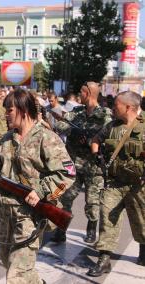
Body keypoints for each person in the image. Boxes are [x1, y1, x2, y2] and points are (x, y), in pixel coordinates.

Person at [0, 88, 76, 284]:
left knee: (17, 275)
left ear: (23, 111)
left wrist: (42, 191)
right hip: (5, 213)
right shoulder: (7, 139)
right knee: (7, 261)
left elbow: (67, 174)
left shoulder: (46, 138)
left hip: (29, 216)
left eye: (9, 110)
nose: (5, 115)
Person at [87, 91, 145, 276]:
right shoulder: (111, 126)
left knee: (141, 221)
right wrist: (97, 155)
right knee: (107, 219)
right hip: (114, 183)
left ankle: (143, 251)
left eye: (116, 105)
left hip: (139, 185)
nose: (112, 108)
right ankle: (104, 260)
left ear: (129, 107)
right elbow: (95, 140)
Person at [52, 81, 112, 243]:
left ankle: (91, 230)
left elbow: (110, 137)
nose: (79, 95)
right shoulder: (77, 112)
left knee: (92, 202)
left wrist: (91, 140)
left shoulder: (106, 115)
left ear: (88, 94)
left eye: (81, 92)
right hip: (74, 165)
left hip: (94, 166)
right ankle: (61, 229)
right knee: (65, 198)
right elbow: (60, 124)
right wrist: (73, 132)